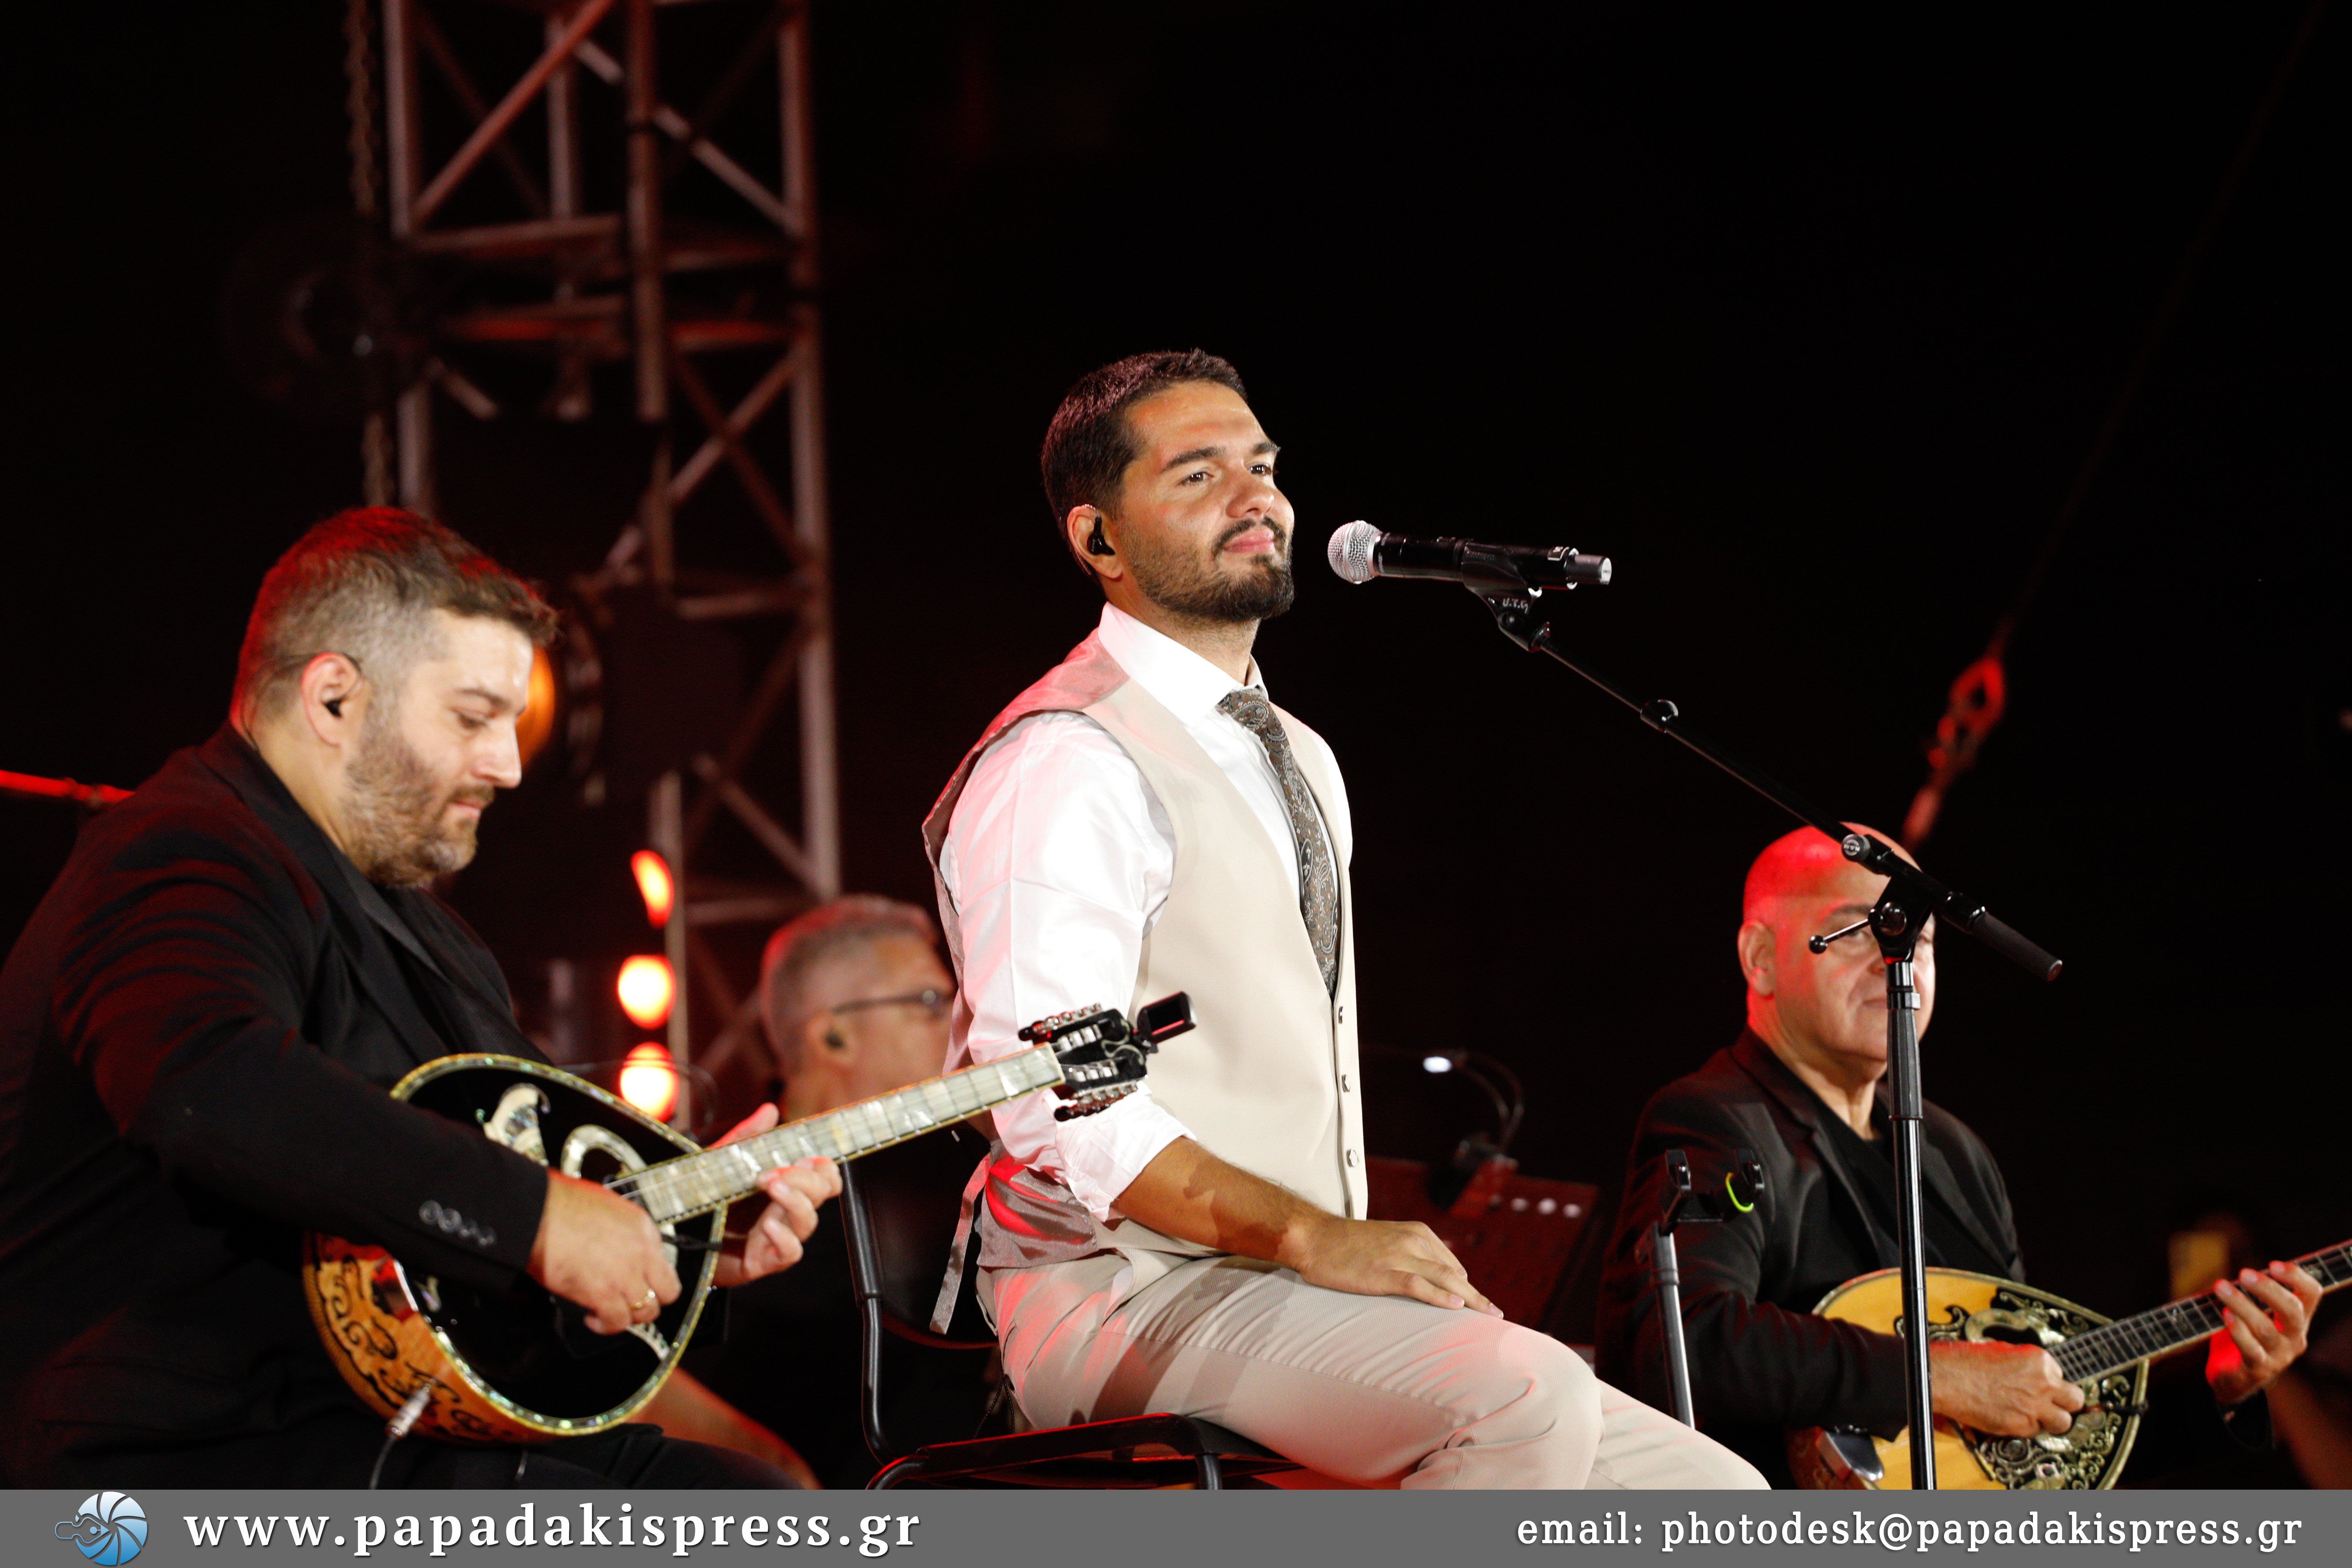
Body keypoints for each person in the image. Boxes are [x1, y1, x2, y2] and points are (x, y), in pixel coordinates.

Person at [916, 350, 1763, 1488]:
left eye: (1263, 467)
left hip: (1279, 1293)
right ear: (1098, 538)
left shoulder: (1299, 751)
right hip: (1117, 1292)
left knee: (1719, 1499)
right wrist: (1314, 1234)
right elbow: (1056, 1101)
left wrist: (1323, 1246)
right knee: (1525, 1396)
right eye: (1198, 474)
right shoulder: (1066, 760)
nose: (1254, 496)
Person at [0, 509, 840, 1488]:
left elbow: (499, 1166)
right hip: (193, 1462)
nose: (509, 765)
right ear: (334, 698)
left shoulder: (431, 933)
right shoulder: (185, 849)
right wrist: (541, 1218)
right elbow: (207, 1084)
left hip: (393, 1434)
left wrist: (677, 1224)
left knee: (761, 1503)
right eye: (474, 717)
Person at [1593, 822, 2322, 1487]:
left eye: (1921, 940)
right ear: (1761, 958)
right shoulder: (1715, 1118)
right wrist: (1937, 1377)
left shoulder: (1954, 1154)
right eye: (1867, 931)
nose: (1898, 962)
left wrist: (2228, 1389)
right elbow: (1686, 1342)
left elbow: (2026, 1437)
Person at [682, 896, 995, 1487]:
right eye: (932, 1003)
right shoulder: (708, 1189)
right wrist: (766, 1471)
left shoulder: (967, 1178)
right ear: (832, 1038)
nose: (963, 1028)